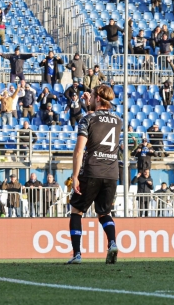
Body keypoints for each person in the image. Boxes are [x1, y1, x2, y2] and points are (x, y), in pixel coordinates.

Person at [67, 84, 122, 265]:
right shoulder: (117, 119)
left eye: (91, 95)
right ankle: (112, 243)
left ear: (97, 98)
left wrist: (75, 176)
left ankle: (77, 254)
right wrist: (87, 105)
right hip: (112, 172)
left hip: (92, 170)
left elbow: (79, 150)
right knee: (104, 212)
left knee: (77, 211)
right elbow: (100, 121)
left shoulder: (87, 119)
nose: (88, 97)